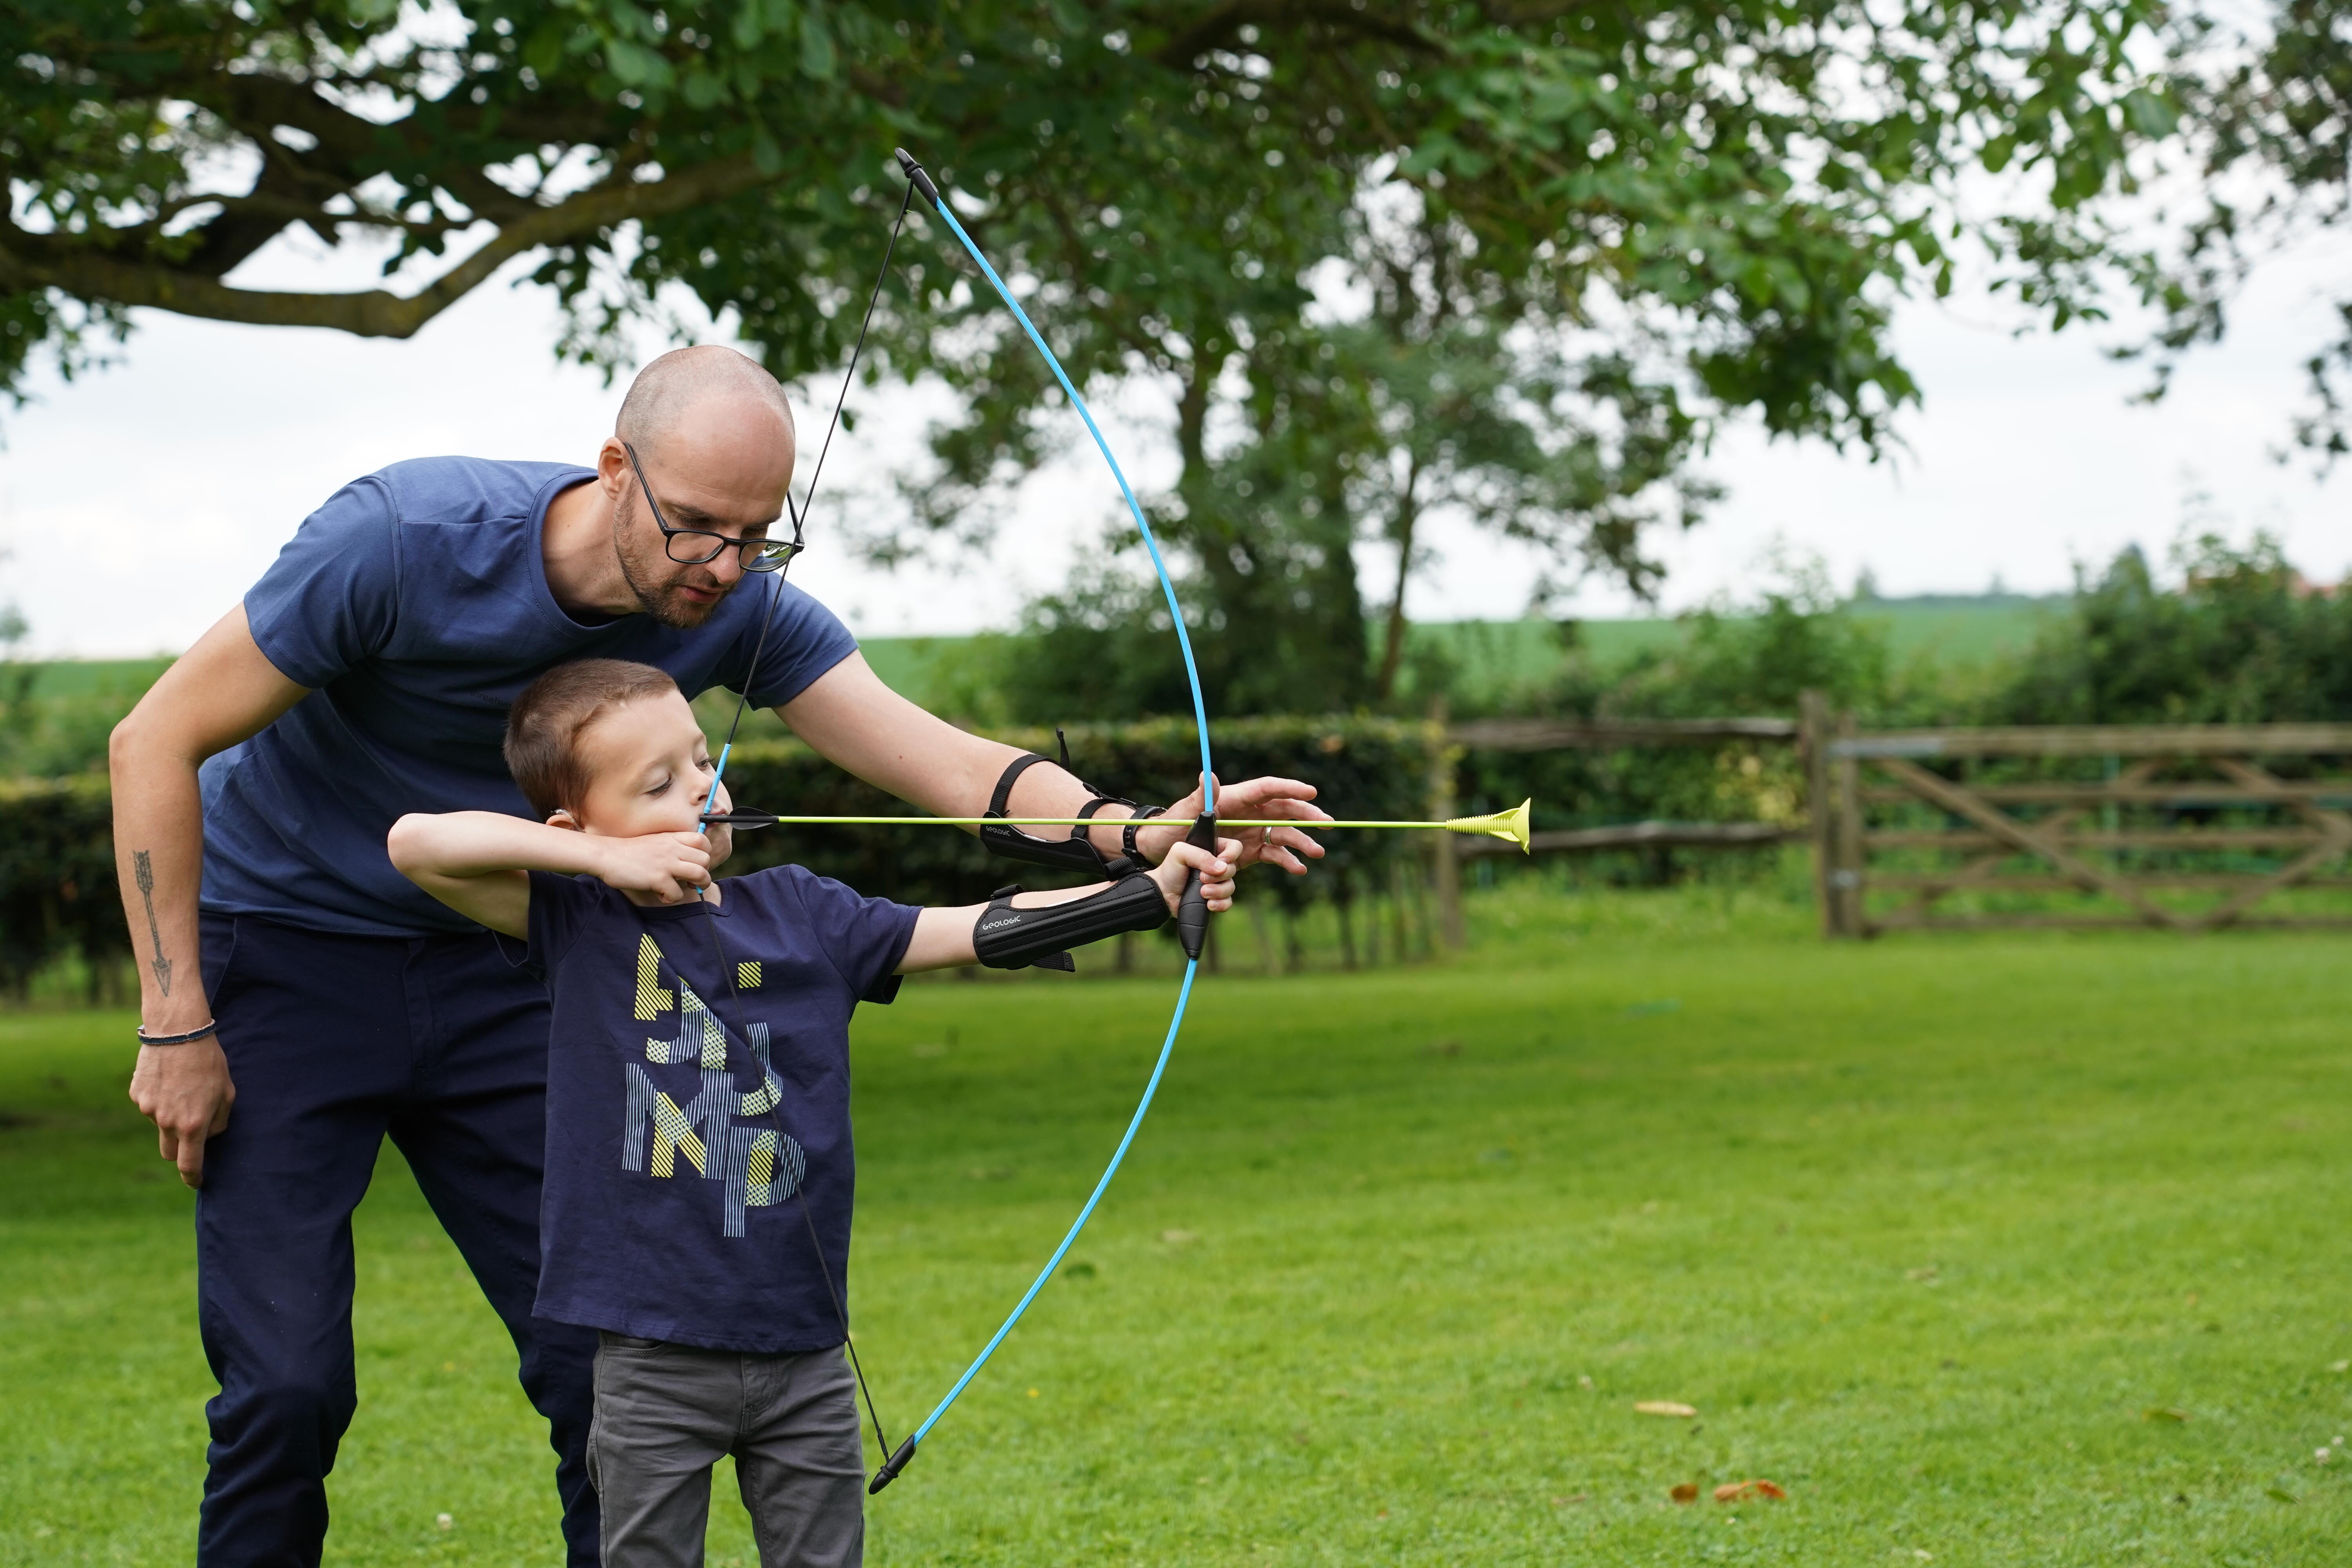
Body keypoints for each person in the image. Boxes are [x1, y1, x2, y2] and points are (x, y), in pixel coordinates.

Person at [107, 343, 1330, 1565]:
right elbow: (151, 741)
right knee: (286, 1390)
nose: (725, 569)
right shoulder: (403, 538)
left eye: (759, 538)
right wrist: (176, 1019)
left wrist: (1127, 829)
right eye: (696, 528)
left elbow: (943, 761)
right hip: (286, 955)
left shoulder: (737, 606)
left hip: (524, 972)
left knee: (613, 1369)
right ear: (613, 468)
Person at [382, 657, 1238, 1566]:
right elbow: (415, 843)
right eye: (658, 784)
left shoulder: (804, 911)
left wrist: (1150, 889)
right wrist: (601, 856)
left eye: (702, 760)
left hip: (804, 1347)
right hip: (649, 1355)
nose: (702, 787)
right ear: (577, 823)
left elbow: (969, 929)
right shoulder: (574, 919)